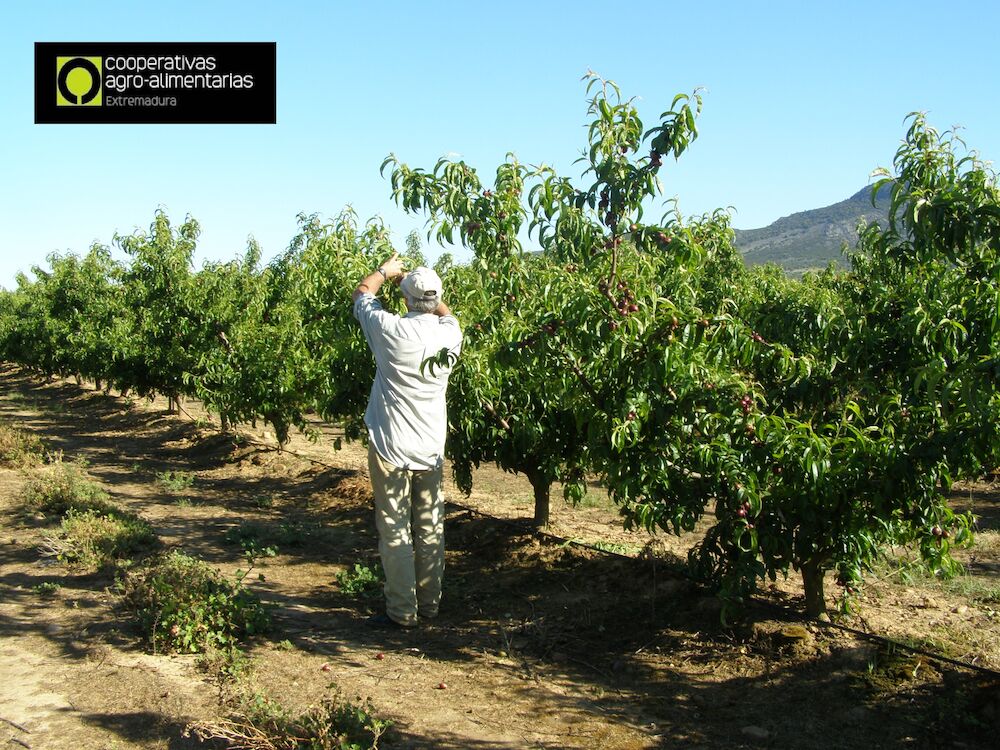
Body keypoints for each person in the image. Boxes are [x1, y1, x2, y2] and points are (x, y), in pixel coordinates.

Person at [352, 253, 462, 628]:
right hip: (430, 446)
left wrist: (386, 271)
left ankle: (402, 612)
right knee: (430, 526)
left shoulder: (390, 329)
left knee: (395, 528)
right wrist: (428, 293)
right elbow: (444, 312)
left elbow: (363, 293)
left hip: (390, 444)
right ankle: (430, 604)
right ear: (438, 299)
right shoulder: (451, 334)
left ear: (405, 300)